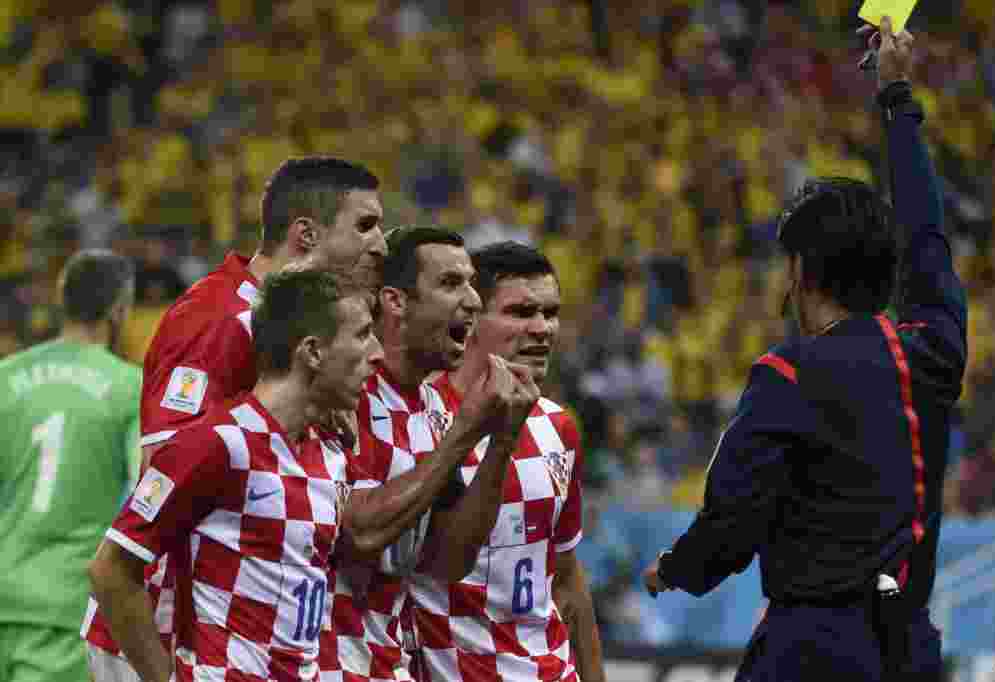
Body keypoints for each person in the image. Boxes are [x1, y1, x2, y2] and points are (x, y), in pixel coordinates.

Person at [643, 18, 966, 682]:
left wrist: (677, 569)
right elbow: (928, 237)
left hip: (810, 650)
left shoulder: (787, 376)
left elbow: (731, 520)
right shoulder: (931, 354)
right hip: (910, 651)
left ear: (798, 273)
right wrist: (898, 101)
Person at [82, 156, 388, 679]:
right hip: (159, 628)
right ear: (306, 234)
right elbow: (168, 467)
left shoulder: (300, 325)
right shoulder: (217, 318)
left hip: (237, 633)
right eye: (364, 226)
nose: (380, 244)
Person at [320, 227, 543, 682]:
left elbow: (448, 562)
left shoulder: (433, 409)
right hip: (324, 663)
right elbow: (358, 536)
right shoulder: (346, 392)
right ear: (395, 302)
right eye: (450, 284)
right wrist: (464, 434)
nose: (474, 302)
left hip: (386, 663)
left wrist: (503, 438)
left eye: (472, 285)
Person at [410, 241, 606, 682]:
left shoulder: (558, 427)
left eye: (551, 313)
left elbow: (568, 582)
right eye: (521, 312)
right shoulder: (416, 418)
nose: (542, 329)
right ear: (470, 318)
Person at [0, 250, 140, 682]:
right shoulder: (130, 386)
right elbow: (143, 496)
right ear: (119, 309)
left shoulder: (6, 376)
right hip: (65, 604)